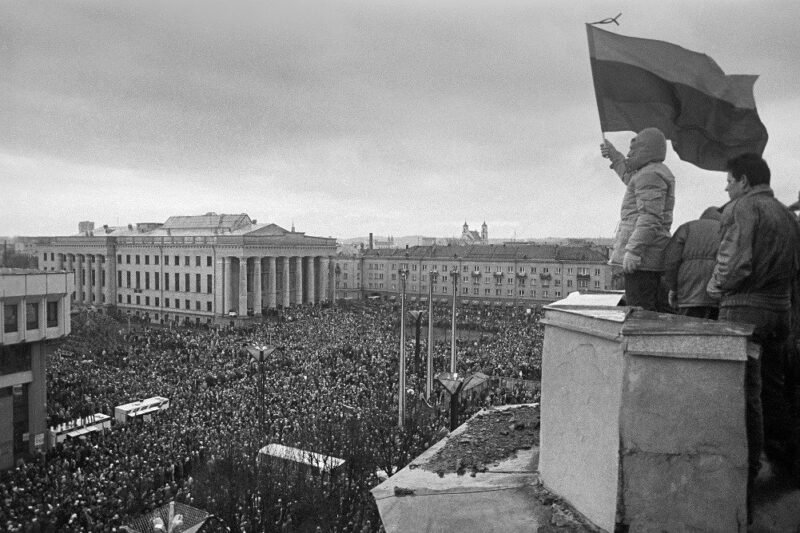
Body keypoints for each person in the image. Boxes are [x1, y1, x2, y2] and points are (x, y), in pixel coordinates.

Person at [706, 153, 800, 517]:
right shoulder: (785, 214)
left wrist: (715, 289)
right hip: (781, 313)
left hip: (745, 311)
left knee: (745, 395)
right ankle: (787, 462)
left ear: (744, 180)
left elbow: (733, 263)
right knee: (774, 391)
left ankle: (745, 474)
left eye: (729, 180)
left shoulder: (742, 209)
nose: (726, 187)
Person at [601, 128, 676, 311]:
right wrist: (614, 156)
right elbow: (629, 178)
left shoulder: (650, 175)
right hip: (649, 256)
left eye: (632, 150)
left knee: (640, 315)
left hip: (644, 259)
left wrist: (634, 251)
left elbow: (650, 218)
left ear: (645, 150)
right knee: (651, 312)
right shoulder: (650, 173)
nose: (628, 154)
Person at [663, 206, 722, 319]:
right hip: (717, 297)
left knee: (687, 332)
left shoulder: (686, 228)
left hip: (688, 295)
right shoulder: (728, 231)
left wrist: (674, 288)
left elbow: (671, 262)